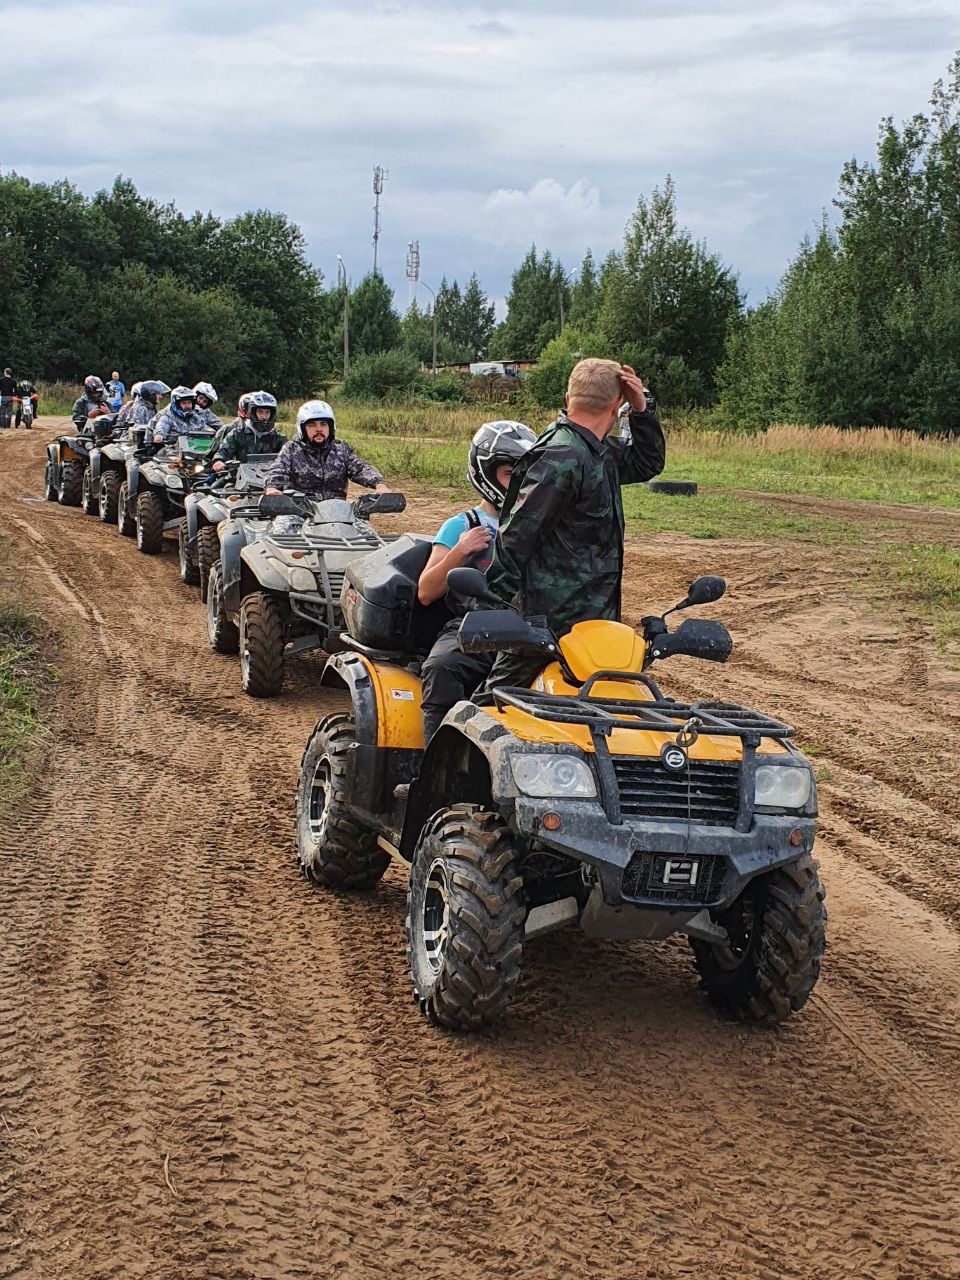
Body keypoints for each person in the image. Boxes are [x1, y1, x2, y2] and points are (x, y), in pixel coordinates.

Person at [482, 358, 665, 691]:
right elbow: (516, 538)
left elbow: (647, 462)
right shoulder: (560, 457)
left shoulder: (598, 452)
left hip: (592, 623)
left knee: (596, 712)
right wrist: (486, 611)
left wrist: (644, 410)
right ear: (616, 406)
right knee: (497, 706)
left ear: (568, 400)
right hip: (546, 627)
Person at [418, 421, 537, 743]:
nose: (519, 482)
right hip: (474, 627)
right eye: (511, 473)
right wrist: (461, 550)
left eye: (525, 474)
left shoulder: (539, 525)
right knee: (442, 667)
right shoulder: (462, 525)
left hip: (534, 628)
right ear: (485, 473)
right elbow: (427, 591)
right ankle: (433, 768)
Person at [264, 400, 389, 499]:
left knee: (366, 531)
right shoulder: (291, 449)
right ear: (302, 428)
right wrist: (272, 487)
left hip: (338, 514)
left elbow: (360, 468)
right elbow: (278, 469)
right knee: (282, 530)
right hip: (299, 513)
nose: (319, 429)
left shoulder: (341, 449)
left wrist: (379, 484)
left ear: (331, 427)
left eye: (323, 424)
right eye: (312, 425)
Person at [211, 391, 285, 470]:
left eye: (267, 412)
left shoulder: (278, 437)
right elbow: (223, 451)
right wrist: (219, 461)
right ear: (252, 412)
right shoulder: (237, 433)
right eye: (260, 412)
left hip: (270, 478)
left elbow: (290, 452)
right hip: (239, 477)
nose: (264, 417)